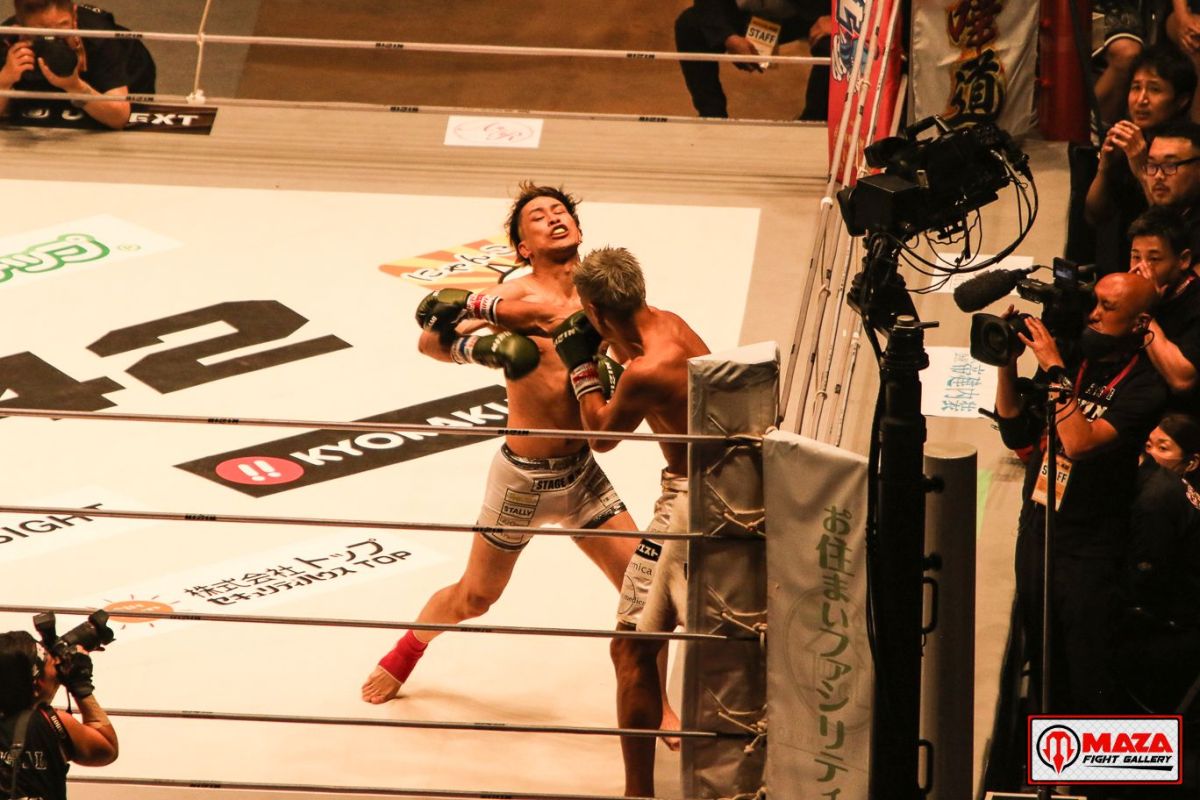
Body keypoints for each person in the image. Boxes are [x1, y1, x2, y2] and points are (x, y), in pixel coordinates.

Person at [360, 183, 642, 705]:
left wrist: (618, 375)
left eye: (561, 211)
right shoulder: (512, 297)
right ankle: (408, 649)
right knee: (475, 597)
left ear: (578, 228)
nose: (554, 218)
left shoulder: (601, 292)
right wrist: (484, 348)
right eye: (539, 216)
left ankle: (658, 708)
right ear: (522, 246)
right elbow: (430, 340)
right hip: (522, 482)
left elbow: (638, 351)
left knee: (644, 588)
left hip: (582, 474)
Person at [554, 245, 710, 797]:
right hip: (718, 483)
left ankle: (638, 794)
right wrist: (607, 344)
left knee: (630, 647)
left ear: (595, 310)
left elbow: (602, 435)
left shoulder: (646, 370)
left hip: (690, 500)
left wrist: (581, 366)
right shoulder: (670, 324)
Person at [994, 273, 1168, 716]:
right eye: (1095, 303)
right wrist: (1005, 362)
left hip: (1089, 545)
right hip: (1038, 524)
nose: (1094, 314)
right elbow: (1014, 426)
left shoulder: (1146, 385)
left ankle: (1088, 758)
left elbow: (1079, 443)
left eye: (1108, 308)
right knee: (1041, 657)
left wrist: (1056, 370)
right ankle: (1048, 752)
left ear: (1139, 322)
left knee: (1085, 669)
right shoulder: (1075, 356)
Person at [1084, 46, 1195, 274]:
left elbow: (1169, 237)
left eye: (1154, 89)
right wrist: (1105, 168)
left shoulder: (1188, 149)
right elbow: (1095, 215)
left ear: (1181, 100)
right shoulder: (1129, 139)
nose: (1141, 100)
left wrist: (1144, 171)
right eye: (1136, 88)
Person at [0, 1, 156, 130]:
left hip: (126, 74)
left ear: (74, 15)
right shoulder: (6, 40)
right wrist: (5, 80)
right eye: (41, 33)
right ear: (20, 28)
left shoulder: (101, 38)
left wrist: (75, 87)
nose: (53, 39)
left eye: (62, 26)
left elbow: (119, 117)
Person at [0, 630, 118, 799]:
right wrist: (81, 684)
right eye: (51, 664)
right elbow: (107, 749)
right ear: (37, 684)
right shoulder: (50, 723)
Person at [674, 0, 830, 120]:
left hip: (808, 13)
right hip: (743, 13)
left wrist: (835, 19)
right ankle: (712, 116)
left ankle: (815, 119)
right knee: (690, 25)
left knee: (834, 42)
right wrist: (728, 37)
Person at [1128, 206, 1200, 397]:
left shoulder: (1195, 303)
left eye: (1154, 259)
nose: (1141, 268)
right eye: (1135, 257)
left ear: (1183, 260)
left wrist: (1146, 311)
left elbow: (1182, 380)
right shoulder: (1126, 290)